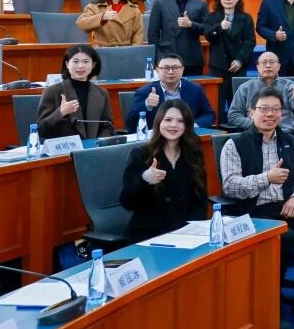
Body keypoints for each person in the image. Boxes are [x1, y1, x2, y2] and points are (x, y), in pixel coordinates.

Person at [219, 87, 294, 329]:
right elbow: (230, 186)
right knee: (286, 237)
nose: (270, 114)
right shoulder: (235, 144)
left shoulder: (289, 141)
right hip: (254, 213)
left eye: (275, 109)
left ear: (282, 114)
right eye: (264, 109)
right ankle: (270, 303)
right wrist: (266, 178)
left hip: (287, 207)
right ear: (251, 112)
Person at [119, 99, 207, 240]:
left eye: (180, 121)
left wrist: (195, 231)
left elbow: (200, 199)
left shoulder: (192, 153)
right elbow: (127, 202)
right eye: (168, 120)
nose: (173, 125)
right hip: (148, 235)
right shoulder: (142, 154)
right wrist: (145, 179)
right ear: (159, 122)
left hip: (185, 233)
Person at [36, 44, 115, 139]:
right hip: (65, 147)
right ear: (67, 64)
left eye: (86, 61)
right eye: (75, 61)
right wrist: (61, 112)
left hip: (94, 146)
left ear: (93, 65)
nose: (80, 66)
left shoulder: (102, 93)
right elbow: (41, 130)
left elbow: (107, 125)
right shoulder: (52, 92)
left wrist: (100, 142)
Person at [203, 0, 256, 117]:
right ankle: (218, 128)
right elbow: (209, 36)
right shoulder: (211, 17)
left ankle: (238, 128)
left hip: (238, 66)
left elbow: (250, 41)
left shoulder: (246, 18)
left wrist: (240, 60)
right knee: (217, 103)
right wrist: (219, 27)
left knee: (239, 103)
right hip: (218, 66)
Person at [126, 53, 216, 131]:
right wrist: (146, 104)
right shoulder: (144, 92)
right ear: (157, 71)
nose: (170, 72)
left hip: (187, 137)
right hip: (157, 139)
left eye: (175, 68)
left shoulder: (195, 89)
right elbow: (130, 123)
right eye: (165, 68)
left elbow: (209, 114)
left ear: (182, 70)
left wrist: (194, 125)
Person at [147, 0, 209, 74]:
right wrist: (157, 58)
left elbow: (208, 29)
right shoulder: (160, 4)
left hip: (192, 57)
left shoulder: (201, 4)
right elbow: (153, 34)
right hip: (167, 57)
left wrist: (191, 24)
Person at [226, 52, 294, 134]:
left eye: (272, 62)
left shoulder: (289, 85)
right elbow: (233, 115)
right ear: (258, 67)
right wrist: (257, 125)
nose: (268, 65)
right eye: (264, 62)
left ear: (279, 66)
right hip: (254, 134)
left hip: (283, 133)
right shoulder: (245, 87)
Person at [76, 0, 143, 46]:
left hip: (125, 50)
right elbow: (81, 24)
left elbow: (138, 36)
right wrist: (102, 17)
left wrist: (133, 51)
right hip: (101, 49)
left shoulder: (134, 9)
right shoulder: (94, 6)